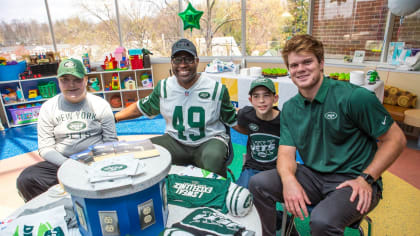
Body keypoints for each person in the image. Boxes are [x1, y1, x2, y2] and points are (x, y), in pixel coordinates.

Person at [248, 34, 407, 236]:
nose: (300, 69)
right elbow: (286, 154)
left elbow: (396, 139)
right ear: (289, 70)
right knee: (258, 184)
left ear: (321, 63)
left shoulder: (354, 97)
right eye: (294, 65)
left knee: (322, 220)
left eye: (307, 62)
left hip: (355, 178)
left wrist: (366, 178)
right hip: (313, 176)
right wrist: (289, 181)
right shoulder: (290, 108)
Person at [114, 38, 237, 177]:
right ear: (172, 62)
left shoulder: (216, 89)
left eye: (188, 59)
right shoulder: (164, 87)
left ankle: (217, 195)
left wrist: (257, 124)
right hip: (176, 141)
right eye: (178, 60)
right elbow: (141, 108)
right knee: (143, 152)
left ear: (197, 61)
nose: (183, 65)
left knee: (213, 158)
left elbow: (234, 120)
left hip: (208, 140)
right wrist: (114, 117)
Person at [17, 58, 118, 201]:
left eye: (77, 79)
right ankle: (53, 210)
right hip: (61, 162)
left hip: (96, 160)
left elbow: (110, 141)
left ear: (85, 80)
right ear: (58, 81)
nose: (71, 85)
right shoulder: (48, 108)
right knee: (27, 179)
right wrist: (69, 165)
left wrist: (94, 163)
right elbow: (46, 148)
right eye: (65, 80)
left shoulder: (100, 105)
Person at [234, 77, 280, 188]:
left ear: (275, 98)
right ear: (251, 100)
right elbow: (234, 114)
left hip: (276, 170)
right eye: (256, 96)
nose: (261, 100)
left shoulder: (284, 120)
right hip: (252, 167)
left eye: (266, 95)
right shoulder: (246, 114)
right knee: (238, 197)